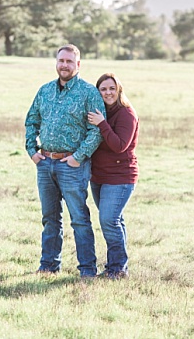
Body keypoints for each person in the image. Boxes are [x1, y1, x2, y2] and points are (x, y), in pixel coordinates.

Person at [24, 44, 102, 278]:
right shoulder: (45, 91)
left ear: (78, 65)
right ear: (56, 63)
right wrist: (32, 150)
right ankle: (48, 265)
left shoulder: (89, 93)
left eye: (69, 61)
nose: (64, 65)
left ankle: (87, 270)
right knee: (50, 218)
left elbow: (96, 130)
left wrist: (78, 158)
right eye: (61, 61)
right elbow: (31, 121)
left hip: (72, 166)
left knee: (79, 219)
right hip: (45, 163)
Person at [85, 72, 138, 279]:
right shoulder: (99, 111)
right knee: (115, 220)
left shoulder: (126, 114)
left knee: (109, 220)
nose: (108, 92)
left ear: (119, 90)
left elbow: (119, 145)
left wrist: (101, 123)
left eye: (111, 88)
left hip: (120, 177)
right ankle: (120, 267)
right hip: (99, 176)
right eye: (103, 89)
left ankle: (116, 269)